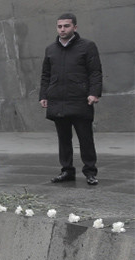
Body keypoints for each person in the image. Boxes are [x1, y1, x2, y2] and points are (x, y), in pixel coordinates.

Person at [40, 13, 103, 185]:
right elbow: (46, 75)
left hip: (80, 100)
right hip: (58, 101)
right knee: (64, 139)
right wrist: (44, 95)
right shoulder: (50, 49)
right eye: (59, 26)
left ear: (75, 27)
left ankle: (90, 172)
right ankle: (67, 170)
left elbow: (95, 72)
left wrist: (94, 93)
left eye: (66, 26)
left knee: (85, 138)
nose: (62, 29)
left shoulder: (87, 46)